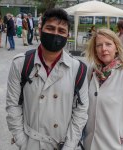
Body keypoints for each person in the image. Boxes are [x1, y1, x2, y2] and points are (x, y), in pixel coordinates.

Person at [6, 8, 89, 150]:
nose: (56, 34)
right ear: (40, 29)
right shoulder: (21, 63)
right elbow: (13, 105)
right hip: (31, 143)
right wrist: (22, 141)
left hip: (63, 144)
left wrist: (69, 145)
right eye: (50, 28)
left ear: (67, 34)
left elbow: (81, 111)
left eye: (61, 31)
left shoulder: (78, 69)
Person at [83, 28, 123, 150]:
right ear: (95, 50)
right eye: (99, 45)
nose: (103, 49)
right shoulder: (91, 72)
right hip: (90, 143)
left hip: (115, 144)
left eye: (108, 44)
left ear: (116, 47)